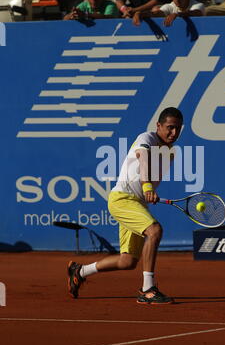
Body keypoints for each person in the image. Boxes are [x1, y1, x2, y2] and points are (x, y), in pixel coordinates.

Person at [67, 107, 184, 305]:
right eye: (170, 128)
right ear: (158, 126)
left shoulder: (170, 152)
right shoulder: (146, 138)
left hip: (136, 202)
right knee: (154, 231)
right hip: (122, 199)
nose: (174, 133)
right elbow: (143, 158)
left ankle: (80, 271)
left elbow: (148, 178)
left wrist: (149, 193)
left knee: (127, 261)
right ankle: (148, 289)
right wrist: (147, 186)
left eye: (178, 129)